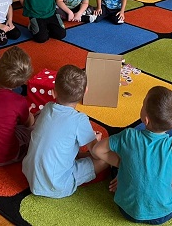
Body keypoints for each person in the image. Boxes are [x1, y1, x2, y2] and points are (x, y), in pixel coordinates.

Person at [92, 87, 172, 223]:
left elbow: (97, 150)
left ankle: (125, 173)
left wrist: (125, 166)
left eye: (143, 104)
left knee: (119, 160)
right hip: (163, 215)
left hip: (127, 210)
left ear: (146, 120)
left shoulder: (128, 135)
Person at [22, 65, 109, 198]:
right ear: (85, 91)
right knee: (105, 159)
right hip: (57, 186)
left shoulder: (47, 107)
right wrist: (96, 140)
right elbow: (97, 154)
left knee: (64, 145)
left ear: (53, 92)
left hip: (30, 174)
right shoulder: (79, 120)